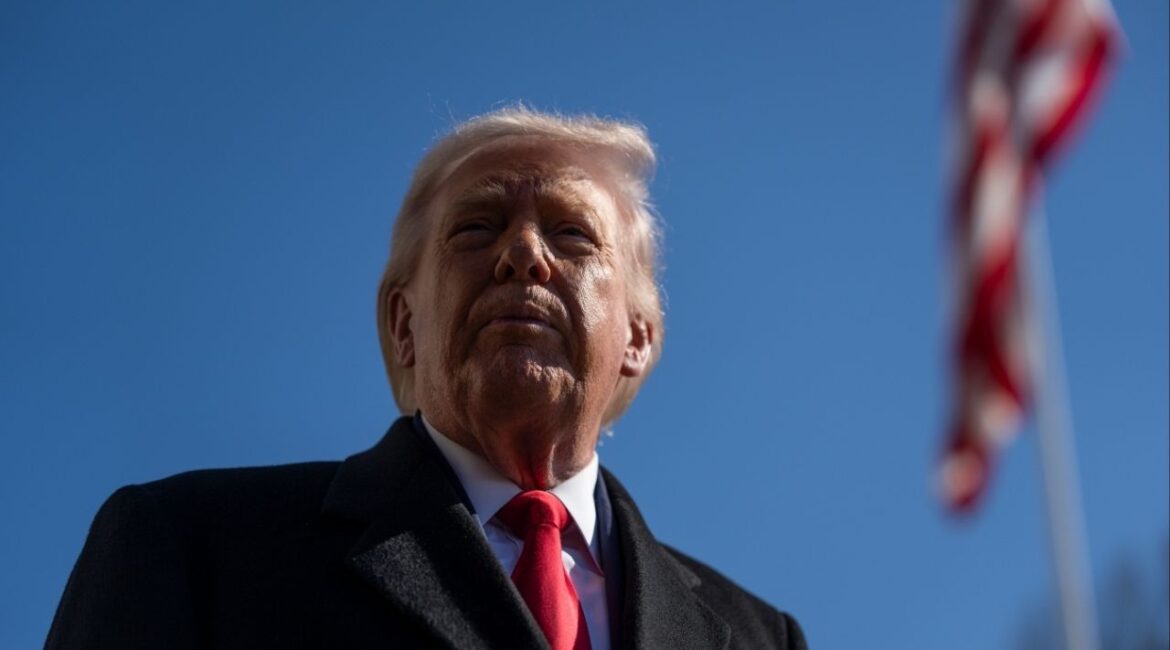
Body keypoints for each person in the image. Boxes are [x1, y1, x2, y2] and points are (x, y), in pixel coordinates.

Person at [46, 107, 807, 650]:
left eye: (572, 233)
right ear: (405, 323)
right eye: (476, 229)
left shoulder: (759, 636)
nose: (524, 256)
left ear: (638, 336)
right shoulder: (193, 548)